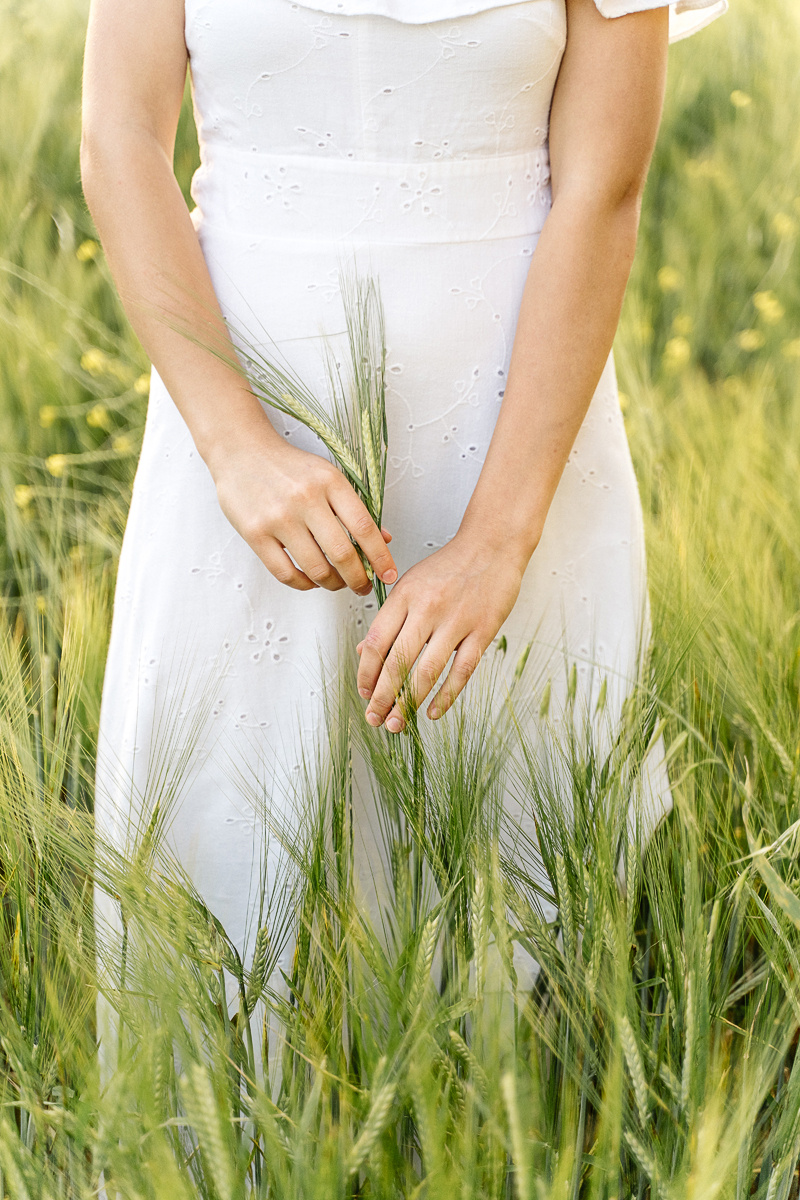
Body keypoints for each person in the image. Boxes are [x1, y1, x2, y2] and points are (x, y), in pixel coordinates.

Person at [81, 0, 727, 1096]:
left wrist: (499, 539)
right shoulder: (234, 450)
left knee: (522, 908)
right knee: (226, 869)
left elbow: (602, 190)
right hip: (236, 437)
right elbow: (120, 139)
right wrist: (236, 447)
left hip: (513, 439)